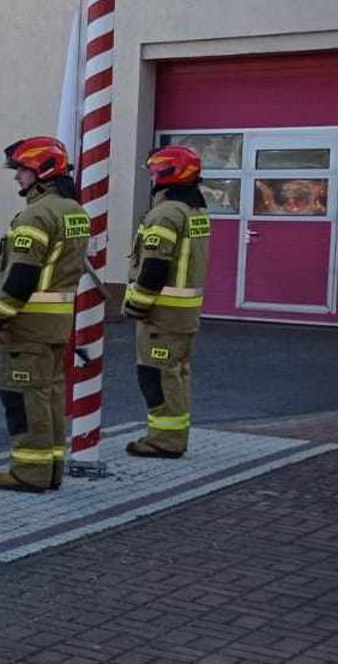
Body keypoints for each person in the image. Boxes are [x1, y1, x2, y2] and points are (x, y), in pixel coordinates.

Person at [0, 137, 88, 493]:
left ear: (40, 171)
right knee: (50, 394)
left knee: (25, 398)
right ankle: (51, 466)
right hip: (56, 323)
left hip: (28, 324)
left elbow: (23, 273)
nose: (17, 179)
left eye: (22, 171)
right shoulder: (74, 211)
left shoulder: (37, 214)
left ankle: (29, 471)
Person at [122, 145, 211, 459]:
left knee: (157, 374)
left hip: (162, 314)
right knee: (177, 373)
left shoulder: (166, 213)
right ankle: (173, 435)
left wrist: (138, 303)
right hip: (184, 313)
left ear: (167, 173)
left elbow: (155, 264)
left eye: (154, 171)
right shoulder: (195, 211)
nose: (151, 177)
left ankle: (164, 440)